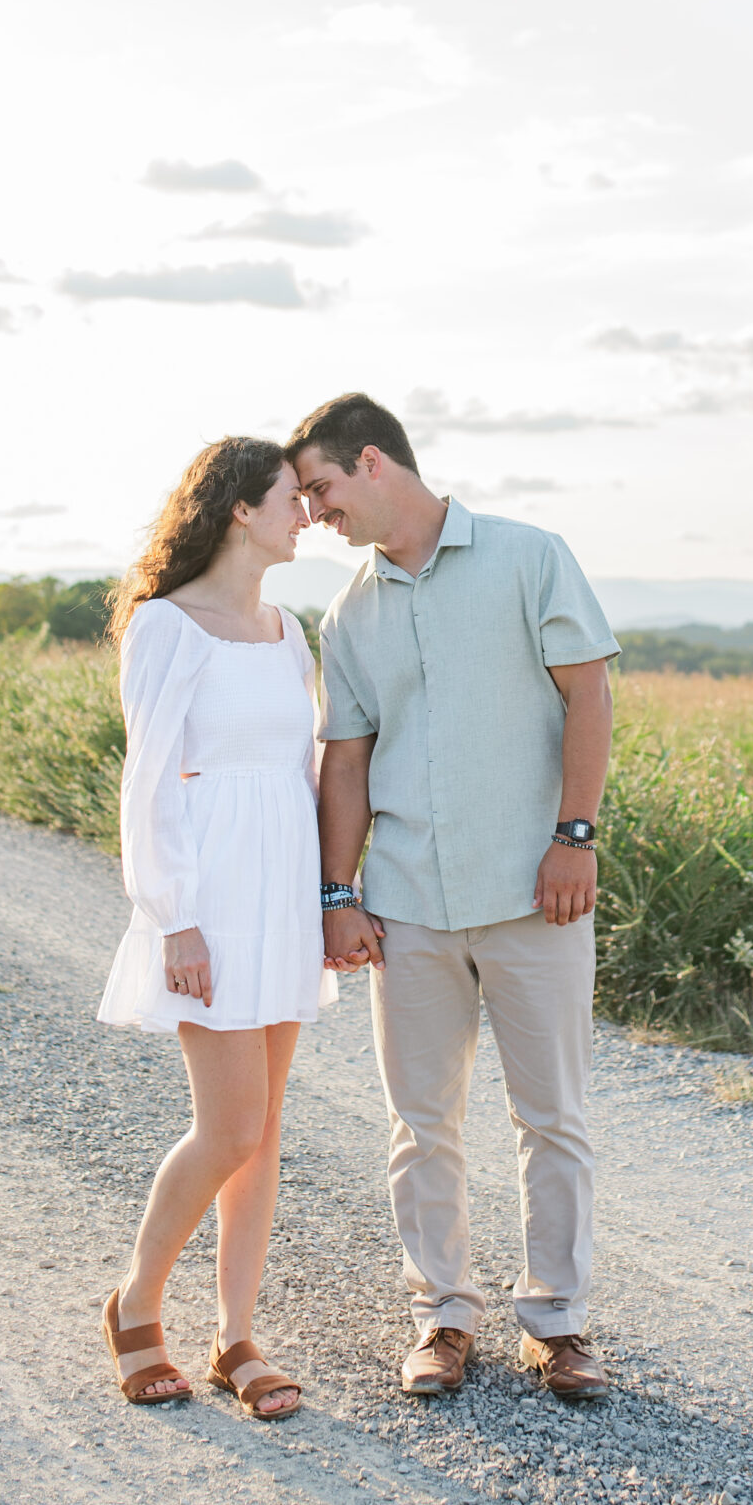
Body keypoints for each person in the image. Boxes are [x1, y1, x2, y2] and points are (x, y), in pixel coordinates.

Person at [289, 391, 619, 1402]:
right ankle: (441, 1314)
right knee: (419, 1120)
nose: (312, 514)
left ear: (374, 462)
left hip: (535, 892)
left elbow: (589, 697)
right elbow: (342, 762)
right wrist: (336, 892)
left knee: (550, 1115)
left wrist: (574, 837)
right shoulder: (349, 611)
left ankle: (555, 1322)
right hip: (409, 905)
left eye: (321, 489)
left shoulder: (529, 556)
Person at [96, 435, 336, 1416]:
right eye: (290, 496)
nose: (305, 513)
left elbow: (308, 775)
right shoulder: (166, 626)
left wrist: (331, 898)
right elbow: (147, 784)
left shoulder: (289, 632)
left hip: (281, 889)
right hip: (210, 898)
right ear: (239, 507)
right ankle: (135, 1302)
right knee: (228, 1122)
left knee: (264, 1130)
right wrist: (174, 918)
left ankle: (236, 1334)